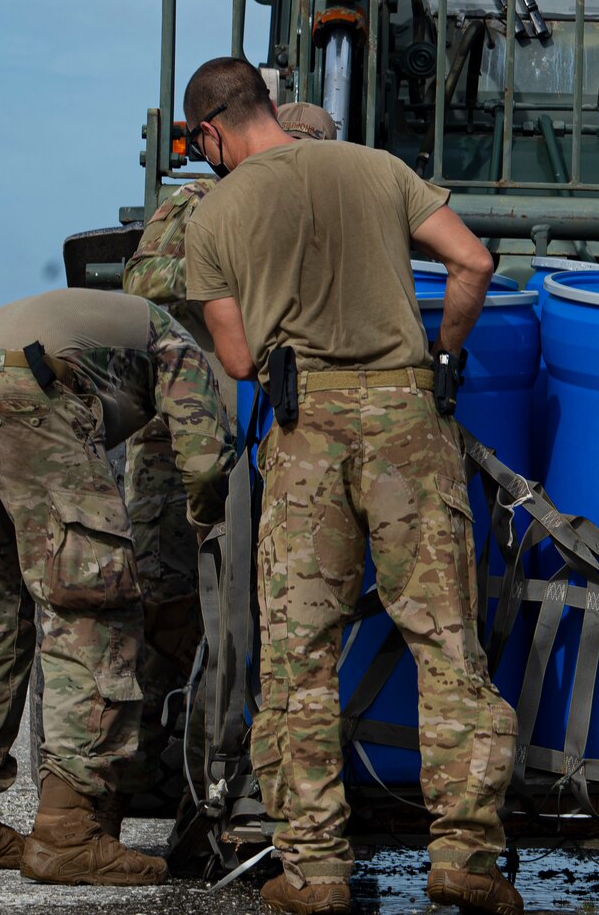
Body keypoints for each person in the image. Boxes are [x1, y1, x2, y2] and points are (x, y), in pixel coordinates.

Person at [174, 58, 520, 915]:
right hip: (411, 422)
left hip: (307, 435)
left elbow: (242, 361)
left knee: (299, 660)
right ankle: (465, 858)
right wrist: (444, 354)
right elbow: (473, 261)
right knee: (447, 645)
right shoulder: (379, 168)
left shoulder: (216, 212)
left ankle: (317, 873)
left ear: (213, 130)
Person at [0, 288, 228, 887]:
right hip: (26, 393)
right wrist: (216, 533)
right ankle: (68, 833)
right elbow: (205, 465)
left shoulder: (103, 314)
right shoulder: (174, 338)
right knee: (92, 605)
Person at [116, 98, 338, 813]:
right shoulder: (199, 203)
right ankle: (146, 777)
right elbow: (143, 290)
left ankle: (238, 774)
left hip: (282, 438)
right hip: (183, 434)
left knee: (266, 612)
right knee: (167, 604)